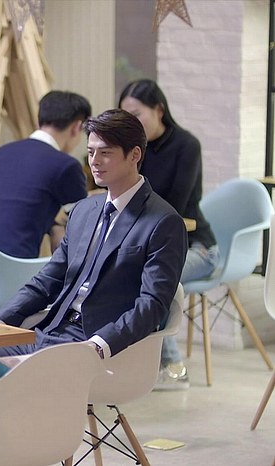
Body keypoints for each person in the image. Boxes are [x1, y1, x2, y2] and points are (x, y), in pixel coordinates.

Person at [0, 109, 186, 395]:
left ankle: (2, 415)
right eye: (90, 152)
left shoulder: (162, 222)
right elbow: (47, 280)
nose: (95, 162)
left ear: (135, 155)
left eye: (105, 153)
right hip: (48, 334)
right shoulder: (84, 211)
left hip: (96, 348)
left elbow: (151, 305)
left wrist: (99, 345)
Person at [119, 78, 218, 390]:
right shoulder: (135, 149)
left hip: (198, 248)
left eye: (137, 114)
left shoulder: (187, 146)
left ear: (159, 110)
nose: (131, 122)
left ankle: (173, 367)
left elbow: (173, 205)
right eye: (125, 116)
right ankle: (136, 362)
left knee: (155, 278)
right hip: (153, 246)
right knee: (125, 273)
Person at [0, 90, 92, 258]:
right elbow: (82, 219)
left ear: (39, 120)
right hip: (15, 264)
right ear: (77, 127)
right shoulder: (65, 165)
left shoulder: (3, 152)